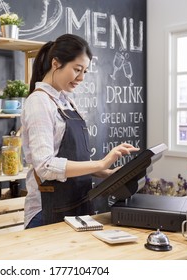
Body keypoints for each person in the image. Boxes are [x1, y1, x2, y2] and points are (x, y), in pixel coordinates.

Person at [21, 34, 139, 229]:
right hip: (49, 212)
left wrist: (107, 173)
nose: (81, 78)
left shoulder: (67, 101)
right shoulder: (38, 102)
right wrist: (100, 163)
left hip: (78, 206)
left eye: (85, 71)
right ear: (56, 63)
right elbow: (45, 166)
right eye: (77, 69)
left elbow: (74, 157)